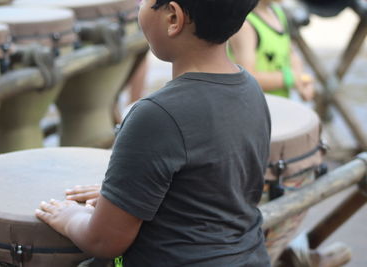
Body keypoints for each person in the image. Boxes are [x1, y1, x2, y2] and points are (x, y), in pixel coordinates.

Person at [35, 0, 272, 266]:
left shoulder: (157, 115)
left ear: (173, 18)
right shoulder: (250, 88)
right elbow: (210, 189)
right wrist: (125, 200)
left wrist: (69, 217)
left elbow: (104, 241)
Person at [227, 0, 315, 101]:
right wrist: (289, 78)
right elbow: (246, 79)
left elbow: (290, 53)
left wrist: (301, 81)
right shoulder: (245, 24)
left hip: (280, 105)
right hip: (257, 107)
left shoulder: (278, 12)